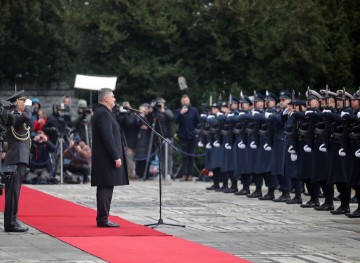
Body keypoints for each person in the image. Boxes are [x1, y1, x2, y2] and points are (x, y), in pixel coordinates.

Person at [91, 88, 129, 228]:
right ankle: (103, 219)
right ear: (106, 99)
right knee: (105, 187)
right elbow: (108, 137)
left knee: (106, 187)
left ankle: (103, 217)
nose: (115, 99)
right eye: (113, 97)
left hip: (105, 158)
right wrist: (116, 156)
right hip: (106, 158)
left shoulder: (105, 113)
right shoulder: (103, 114)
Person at [2, 90, 32, 232]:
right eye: (23, 101)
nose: (26, 104)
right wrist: (28, 107)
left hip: (18, 158)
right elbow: (27, 116)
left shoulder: (17, 115)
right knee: (13, 193)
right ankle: (11, 223)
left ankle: (11, 221)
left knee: (14, 193)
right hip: (16, 158)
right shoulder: (14, 116)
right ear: (16, 102)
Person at [175, 94, 200, 181]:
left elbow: (198, 122)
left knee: (191, 156)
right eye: (183, 101)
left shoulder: (194, 110)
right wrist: (181, 113)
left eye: (186, 100)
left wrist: (196, 132)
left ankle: (190, 174)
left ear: (189, 101)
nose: (185, 102)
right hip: (183, 136)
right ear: (181, 102)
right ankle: (184, 174)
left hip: (192, 136)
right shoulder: (179, 110)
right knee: (184, 156)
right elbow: (176, 121)